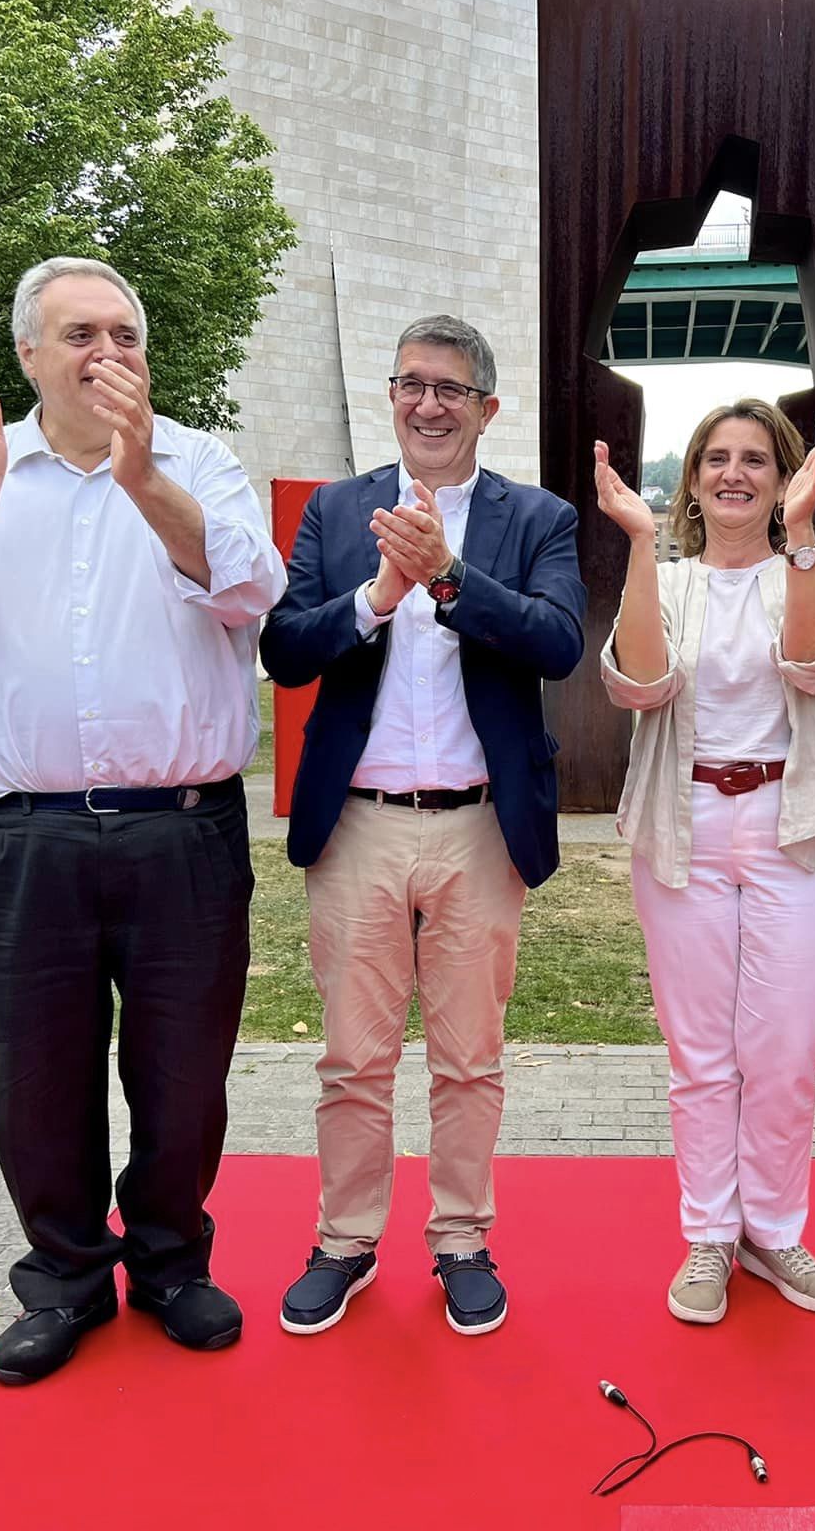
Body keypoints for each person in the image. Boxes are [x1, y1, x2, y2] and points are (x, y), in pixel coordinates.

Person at [0, 257, 287, 1383]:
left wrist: (146, 481)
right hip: (26, 836)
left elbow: (251, 589)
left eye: (126, 335)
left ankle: (173, 1264)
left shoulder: (197, 461)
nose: (108, 353)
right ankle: (66, 1280)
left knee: (184, 1073)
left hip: (182, 834)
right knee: (38, 1079)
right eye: (80, 333)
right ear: (30, 357)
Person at [260, 315, 587, 1338]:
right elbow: (285, 647)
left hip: (478, 830)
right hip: (356, 825)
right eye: (411, 384)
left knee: (468, 1055)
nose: (428, 404)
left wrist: (445, 576)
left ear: (487, 408)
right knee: (352, 1057)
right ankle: (345, 1242)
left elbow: (557, 642)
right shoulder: (336, 509)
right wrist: (373, 595)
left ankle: (459, 1240)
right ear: (392, 400)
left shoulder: (536, 517)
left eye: (450, 388)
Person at [593, 403, 815, 1324]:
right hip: (688, 825)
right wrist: (634, 543)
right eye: (716, 459)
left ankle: (773, 1229)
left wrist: (799, 537)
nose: (734, 473)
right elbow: (640, 683)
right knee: (701, 1052)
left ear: (785, 474)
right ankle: (710, 1231)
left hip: (797, 828)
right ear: (696, 478)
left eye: (755, 459)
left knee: (785, 1047)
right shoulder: (667, 581)